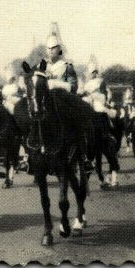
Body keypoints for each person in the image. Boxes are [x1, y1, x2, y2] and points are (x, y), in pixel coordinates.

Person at [44, 23, 92, 173]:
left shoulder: (67, 66)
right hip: (48, 100)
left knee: (78, 120)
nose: (51, 51)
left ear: (59, 49)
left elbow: (73, 86)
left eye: (54, 48)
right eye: (49, 48)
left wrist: (55, 83)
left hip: (65, 99)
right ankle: (31, 155)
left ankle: (84, 157)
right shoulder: (42, 66)